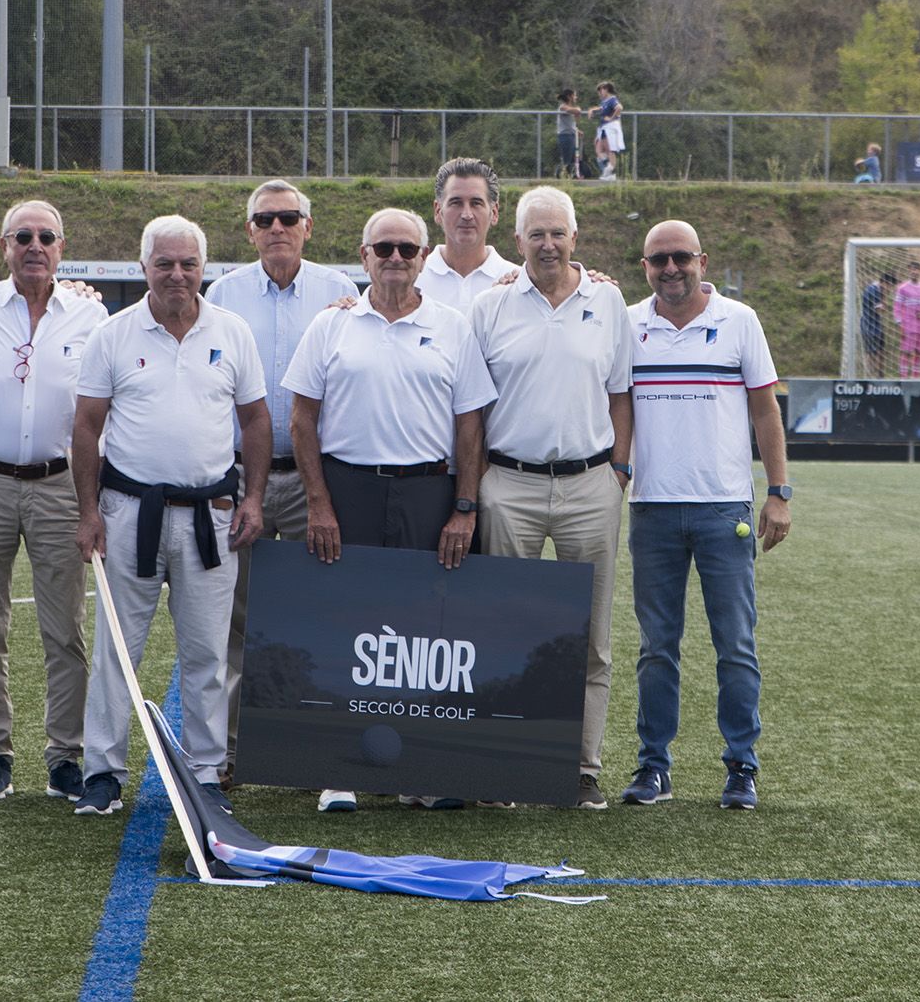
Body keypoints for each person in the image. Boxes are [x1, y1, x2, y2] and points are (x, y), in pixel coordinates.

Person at [284, 207, 497, 813]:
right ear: (363, 254)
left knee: (424, 636)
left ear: (424, 256)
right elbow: (302, 421)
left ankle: (419, 770)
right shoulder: (331, 327)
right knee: (345, 627)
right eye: (385, 248)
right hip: (347, 491)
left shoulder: (453, 327)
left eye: (407, 248)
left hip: (429, 493)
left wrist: (463, 507)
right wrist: (319, 503)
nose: (396, 258)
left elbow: (469, 425)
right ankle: (339, 771)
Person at [71, 215, 271, 817]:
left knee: (207, 651)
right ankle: (102, 771)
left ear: (202, 268)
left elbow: (256, 421)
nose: (177, 274)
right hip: (129, 513)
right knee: (116, 652)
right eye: (165, 263)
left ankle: (206, 771)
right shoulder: (113, 334)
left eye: (188, 264)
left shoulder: (231, 332)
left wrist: (254, 498)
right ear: (144, 268)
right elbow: (85, 426)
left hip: (212, 515)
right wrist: (88, 513)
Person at [469, 186, 633, 811]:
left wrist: (618, 470)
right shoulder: (491, 306)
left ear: (574, 236)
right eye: (535, 234)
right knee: (505, 631)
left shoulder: (607, 298)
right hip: (509, 484)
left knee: (588, 638)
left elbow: (621, 392)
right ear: (516, 242)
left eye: (557, 232)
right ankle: (505, 769)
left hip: (592, 486)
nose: (547, 244)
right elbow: (474, 408)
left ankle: (581, 769)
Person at [620, 220, 792, 812]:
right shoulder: (626, 321)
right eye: (658, 260)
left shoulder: (739, 320)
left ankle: (741, 766)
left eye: (680, 259)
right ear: (644, 266)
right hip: (652, 509)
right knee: (656, 647)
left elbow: (766, 412)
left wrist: (779, 491)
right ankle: (653, 767)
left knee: (736, 644)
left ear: (702, 260)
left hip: (724, 509)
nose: (670, 269)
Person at [204, 179, 361, 786]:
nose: (277, 228)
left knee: (316, 613)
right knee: (237, 617)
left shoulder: (341, 291)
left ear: (308, 225)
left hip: (312, 478)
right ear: (249, 230)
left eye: (288, 217)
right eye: (265, 219)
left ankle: (312, 747)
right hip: (243, 476)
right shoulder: (223, 293)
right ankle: (238, 751)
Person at [0, 200, 108, 802]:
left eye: (46, 236)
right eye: (23, 236)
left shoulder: (90, 316)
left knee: (62, 629)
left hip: (60, 485)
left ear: (62, 247)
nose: (35, 245)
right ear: (4, 246)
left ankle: (64, 754)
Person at [414, 158, 519, 315]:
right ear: (438, 211)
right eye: (456, 203)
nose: (467, 215)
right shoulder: (413, 281)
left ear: (494, 213)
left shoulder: (518, 284)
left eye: (476, 203)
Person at [893, 261, 920, 379]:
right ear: (909, 271)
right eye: (912, 269)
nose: (914, 272)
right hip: (908, 325)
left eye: (916, 269)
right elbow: (897, 307)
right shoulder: (902, 288)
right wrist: (899, 323)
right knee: (906, 352)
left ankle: (915, 378)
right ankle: (903, 378)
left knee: (919, 352)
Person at [861, 272, 894, 377]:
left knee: (880, 351)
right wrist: (886, 307)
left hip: (876, 325)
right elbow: (880, 309)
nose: (890, 289)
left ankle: (879, 376)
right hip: (869, 326)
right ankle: (870, 376)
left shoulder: (876, 289)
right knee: (871, 352)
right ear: (884, 283)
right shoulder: (873, 290)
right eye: (889, 286)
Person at [590, 81, 625, 181]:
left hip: (610, 127)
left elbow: (619, 107)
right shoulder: (604, 101)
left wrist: (611, 118)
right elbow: (601, 108)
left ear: (606, 89)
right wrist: (592, 110)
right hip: (603, 128)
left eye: (601, 90)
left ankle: (610, 172)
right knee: (599, 150)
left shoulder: (612, 99)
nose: (599, 93)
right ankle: (608, 169)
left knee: (610, 150)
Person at [555, 89, 585, 179]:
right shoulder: (563, 107)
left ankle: (573, 176)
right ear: (569, 96)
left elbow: (572, 122)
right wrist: (578, 109)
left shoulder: (570, 108)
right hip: (565, 136)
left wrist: (577, 130)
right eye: (574, 95)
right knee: (566, 159)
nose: (576, 97)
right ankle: (563, 177)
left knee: (573, 159)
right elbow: (577, 111)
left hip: (571, 135)